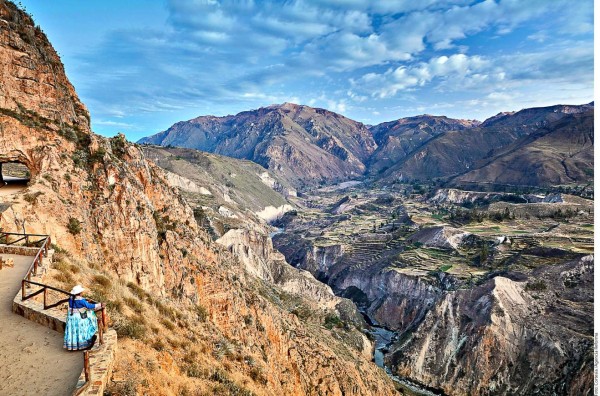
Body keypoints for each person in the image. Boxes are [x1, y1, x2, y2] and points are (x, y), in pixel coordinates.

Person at [63, 285, 103, 351]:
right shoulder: (81, 300)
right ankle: (83, 344)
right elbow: (89, 306)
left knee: (74, 331)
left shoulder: (70, 298)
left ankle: (73, 345)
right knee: (87, 324)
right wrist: (99, 305)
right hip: (78, 318)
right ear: (80, 293)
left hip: (71, 317)